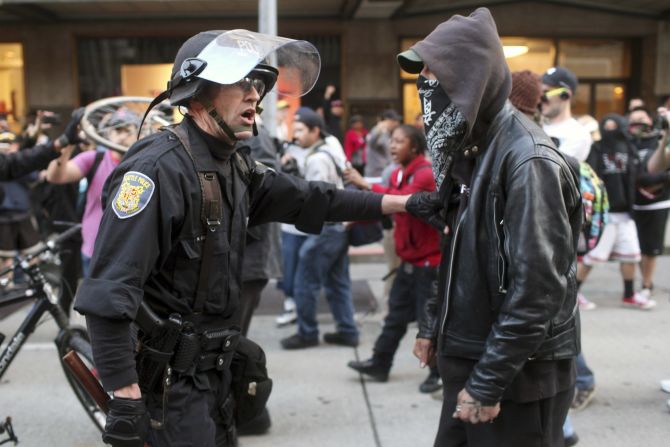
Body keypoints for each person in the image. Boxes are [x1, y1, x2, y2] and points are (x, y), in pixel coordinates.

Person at [73, 30, 418, 447]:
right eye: (239, 83)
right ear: (197, 95)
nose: (254, 94)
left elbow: (313, 199)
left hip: (216, 378)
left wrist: (402, 203)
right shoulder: (156, 171)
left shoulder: (235, 165)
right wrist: (124, 393)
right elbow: (110, 290)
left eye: (257, 84)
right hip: (168, 389)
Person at [399, 8, 581, 446]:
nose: (427, 89)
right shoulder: (474, 146)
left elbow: (538, 288)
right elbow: (458, 247)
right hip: (471, 356)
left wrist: (488, 381)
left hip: (517, 374)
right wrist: (432, 326)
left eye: (434, 76)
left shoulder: (527, 158)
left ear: (470, 76)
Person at [345, 124, 442, 393]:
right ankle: (380, 362)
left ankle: (438, 373)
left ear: (415, 147)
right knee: (395, 315)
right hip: (410, 261)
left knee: (429, 321)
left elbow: (403, 200)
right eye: (392, 141)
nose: (392, 146)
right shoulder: (401, 173)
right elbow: (390, 199)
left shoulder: (423, 174)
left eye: (399, 141)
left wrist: (365, 184)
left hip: (429, 264)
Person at [279, 107, 359, 350]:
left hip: (325, 230)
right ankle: (347, 331)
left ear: (315, 131)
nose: (296, 135)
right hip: (337, 229)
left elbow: (316, 199)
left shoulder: (316, 159)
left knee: (305, 282)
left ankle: (307, 332)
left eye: (301, 130)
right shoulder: (326, 152)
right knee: (337, 282)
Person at [46, 107, 137, 276]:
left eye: (128, 130)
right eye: (117, 130)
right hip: (95, 249)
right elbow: (55, 176)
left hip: (132, 253)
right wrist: (68, 143)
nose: (123, 136)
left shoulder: (146, 162)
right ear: (108, 134)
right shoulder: (94, 158)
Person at [580, 114, 653, 309]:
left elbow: (640, 176)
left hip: (625, 214)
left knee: (631, 254)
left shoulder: (629, 149)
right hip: (605, 213)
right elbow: (590, 175)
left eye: (614, 126)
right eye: (607, 126)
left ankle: (629, 294)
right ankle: (573, 294)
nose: (610, 130)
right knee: (592, 256)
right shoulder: (597, 149)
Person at [628, 108, 670, 298]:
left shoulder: (659, 141)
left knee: (651, 249)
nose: (639, 124)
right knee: (638, 247)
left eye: (642, 120)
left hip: (657, 203)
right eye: (634, 121)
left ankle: (647, 284)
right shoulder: (628, 144)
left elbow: (658, 170)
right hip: (634, 203)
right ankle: (644, 281)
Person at [541, 66, 592, 163]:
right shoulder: (535, 125)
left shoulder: (578, 134)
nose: (540, 98)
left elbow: (551, 167)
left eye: (546, 93)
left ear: (565, 95)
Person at [365, 109, 402, 178]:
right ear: (387, 120)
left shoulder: (387, 133)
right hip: (375, 175)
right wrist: (379, 127)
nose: (396, 123)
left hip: (386, 174)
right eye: (394, 121)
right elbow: (371, 140)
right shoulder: (377, 132)